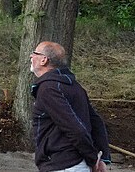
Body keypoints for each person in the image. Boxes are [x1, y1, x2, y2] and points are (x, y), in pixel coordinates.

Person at [30, 41, 111, 172]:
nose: (31, 57)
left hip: (64, 165)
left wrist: (94, 159)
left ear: (44, 60)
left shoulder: (49, 89)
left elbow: (75, 128)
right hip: (76, 164)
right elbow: (97, 122)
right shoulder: (74, 86)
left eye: (34, 53)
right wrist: (103, 158)